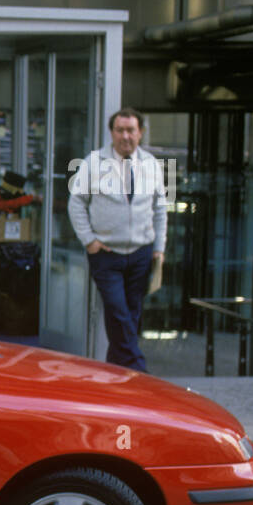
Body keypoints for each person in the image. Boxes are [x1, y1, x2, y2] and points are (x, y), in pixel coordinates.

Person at [68, 107, 167, 372]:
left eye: (131, 130)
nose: (126, 136)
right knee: (117, 310)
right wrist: (89, 240)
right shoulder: (93, 162)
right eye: (120, 130)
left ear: (140, 133)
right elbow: (76, 203)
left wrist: (159, 248)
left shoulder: (151, 165)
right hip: (106, 254)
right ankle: (139, 369)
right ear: (111, 133)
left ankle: (118, 374)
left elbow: (160, 209)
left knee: (130, 314)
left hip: (141, 253)